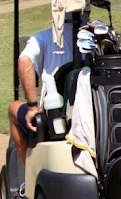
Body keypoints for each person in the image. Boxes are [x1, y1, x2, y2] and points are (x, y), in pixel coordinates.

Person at [8, 24, 74, 171]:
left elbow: (24, 62)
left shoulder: (43, 37)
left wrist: (32, 106)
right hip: (89, 115)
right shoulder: (94, 36)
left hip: (55, 117)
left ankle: (30, 173)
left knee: (13, 109)